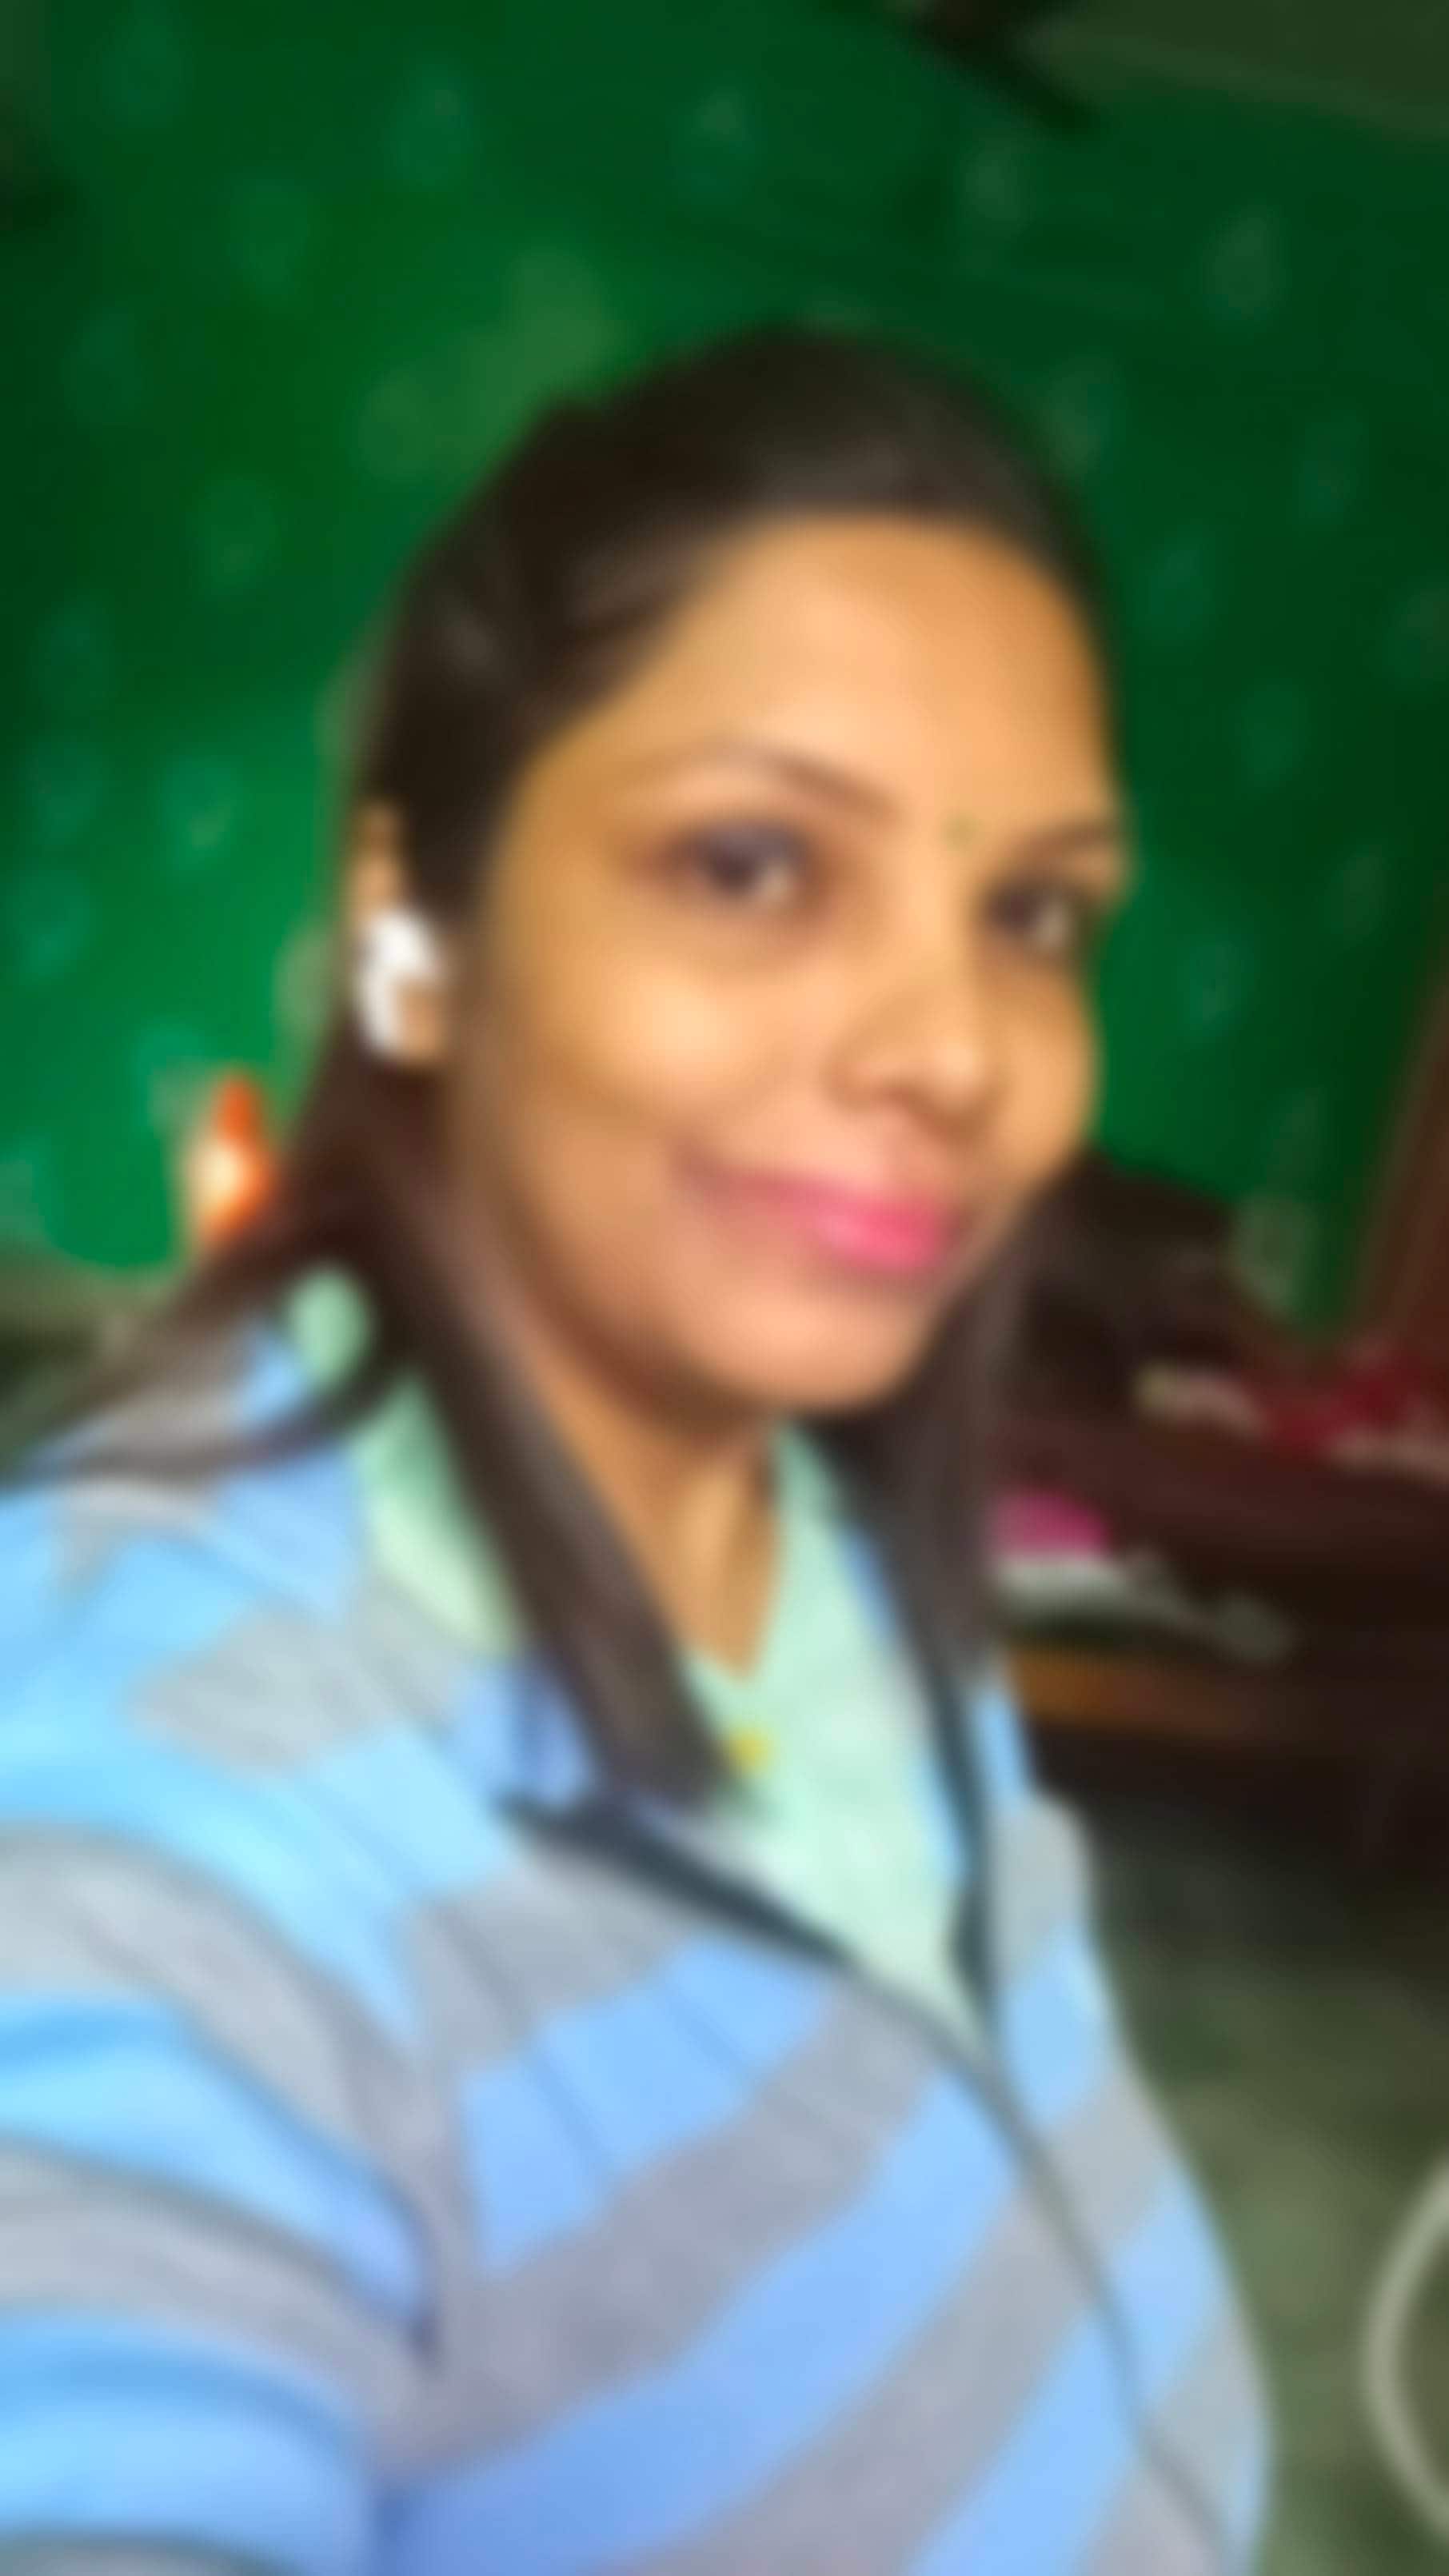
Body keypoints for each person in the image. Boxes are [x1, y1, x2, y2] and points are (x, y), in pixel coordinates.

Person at [0, 328, 1267, 2573]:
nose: (954, 1051)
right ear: (413, 923)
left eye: (1033, 914)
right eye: (752, 864)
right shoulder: (151, 1820)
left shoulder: (829, 1522)